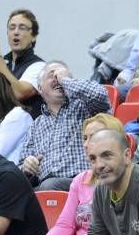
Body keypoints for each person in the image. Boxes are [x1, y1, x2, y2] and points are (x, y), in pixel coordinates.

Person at [13, 114, 125, 235]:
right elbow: (65, 225)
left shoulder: (120, 182)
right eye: (84, 138)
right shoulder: (80, 180)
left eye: (93, 137)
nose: (86, 144)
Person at [19, 61, 111, 191]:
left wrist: (65, 80)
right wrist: (26, 166)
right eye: (52, 75)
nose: (58, 79)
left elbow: (100, 94)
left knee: (48, 186)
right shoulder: (36, 125)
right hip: (46, 186)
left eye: (61, 75)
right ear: (40, 88)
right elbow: (21, 166)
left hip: (85, 181)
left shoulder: (84, 106)